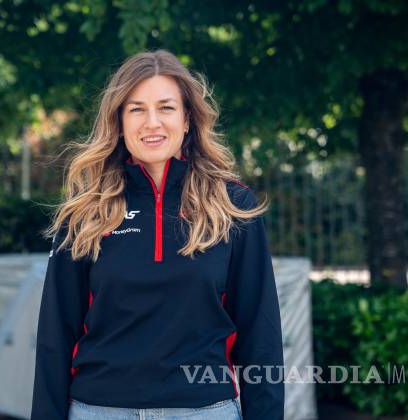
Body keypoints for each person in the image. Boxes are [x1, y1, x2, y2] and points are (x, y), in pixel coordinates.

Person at [30, 49, 284, 420]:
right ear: (119, 121)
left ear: (187, 119)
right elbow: (55, 334)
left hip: (205, 412)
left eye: (166, 108)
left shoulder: (232, 206)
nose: (152, 123)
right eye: (137, 109)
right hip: (99, 411)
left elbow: (260, 334)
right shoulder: (86, 212)